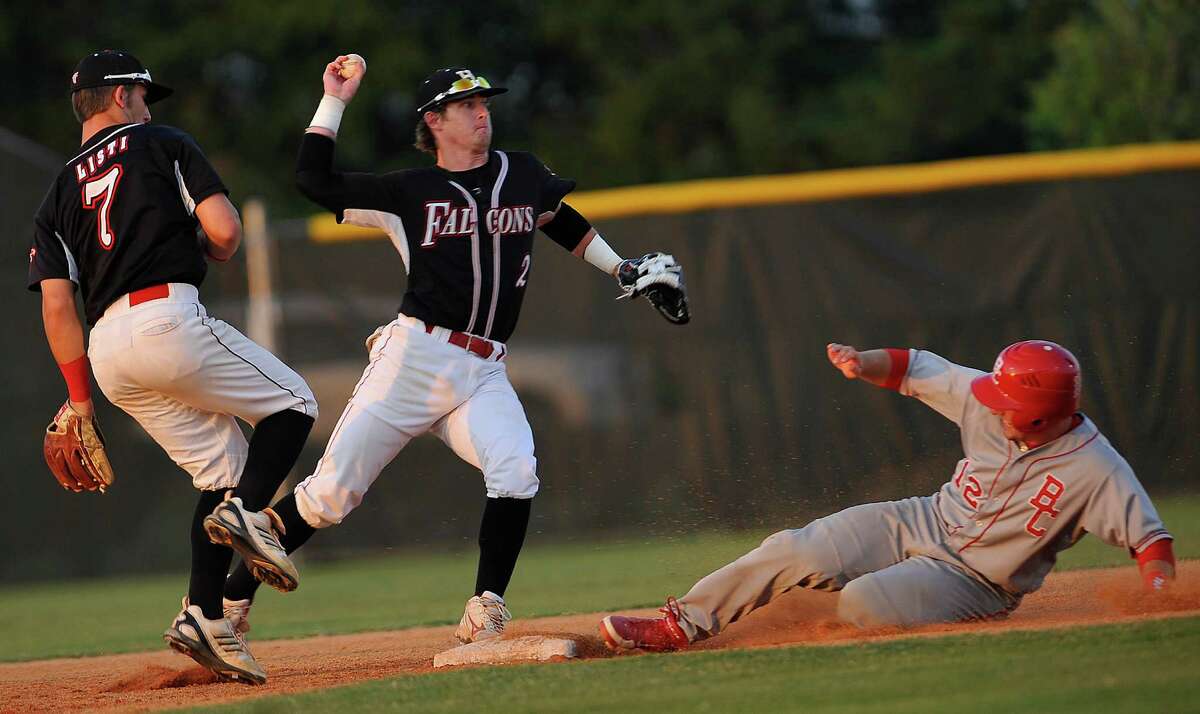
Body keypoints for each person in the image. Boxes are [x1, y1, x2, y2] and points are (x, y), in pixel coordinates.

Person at [217, 56, 689, 643]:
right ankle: (229, 608)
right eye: (468, 106)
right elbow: (315, 182)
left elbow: (558, 218)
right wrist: (334, 100)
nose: (482, 113)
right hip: (415, 360)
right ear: (435, 120)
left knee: (516, 469)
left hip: (483, 367)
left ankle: (486, 606)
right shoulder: (408, 191)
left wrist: (620, 267)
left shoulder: (521, 172)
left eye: (485, 104)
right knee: (329, 497)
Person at [27, 50, 318, 684]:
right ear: (124, 95)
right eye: (142, 92)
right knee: (293, 403)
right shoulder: (163, 142)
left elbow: (56, 307)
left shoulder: (54, 194)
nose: (147, 103)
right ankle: (248, 515)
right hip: (166, 318)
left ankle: (203, 616)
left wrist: (80, 402)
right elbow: (225, 231)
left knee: (220, 471)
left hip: (107, 354)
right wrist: (212, 244)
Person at [600, 340, 1176, 650]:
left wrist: (1160, 603)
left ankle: (897, 604)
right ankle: (682, 623)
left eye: (1006, 406)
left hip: (977, 580)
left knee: (863, 605)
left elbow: (1150, 541)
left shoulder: (1096, 469)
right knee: (800, 547)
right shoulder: (986, 396)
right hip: (921, 520)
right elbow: (915, 367)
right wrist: (863, 363)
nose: (990, 404)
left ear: (1042, 418)